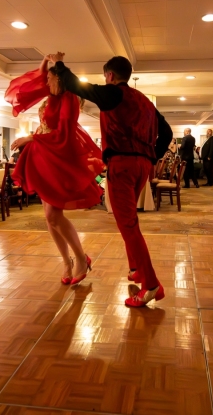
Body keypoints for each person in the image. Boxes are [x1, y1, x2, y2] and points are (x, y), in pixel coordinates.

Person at [52, 52, 173, 308]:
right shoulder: (145, 102)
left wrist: (59, 66)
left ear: (109, 75)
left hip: (122, 165)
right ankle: (137, 270)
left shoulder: (114, 93)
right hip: (141, 166)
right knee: (130, 222)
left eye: (104, 76)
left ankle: (151, 285)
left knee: (128, 225)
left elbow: (77, 86)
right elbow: (167, 132)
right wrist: (152, 157)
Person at [6, 55, 104, 286]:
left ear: (60, 80)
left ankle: (81, 258)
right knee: (50, 218)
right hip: (43, 155)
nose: (46, 81)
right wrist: (45, 63)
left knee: (53, 215)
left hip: (58, 155)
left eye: (50, 78)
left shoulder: (69, 98)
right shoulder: (51, 94)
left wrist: (29, 137)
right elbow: (35, 83)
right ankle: (67, 262)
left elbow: (64, 133)